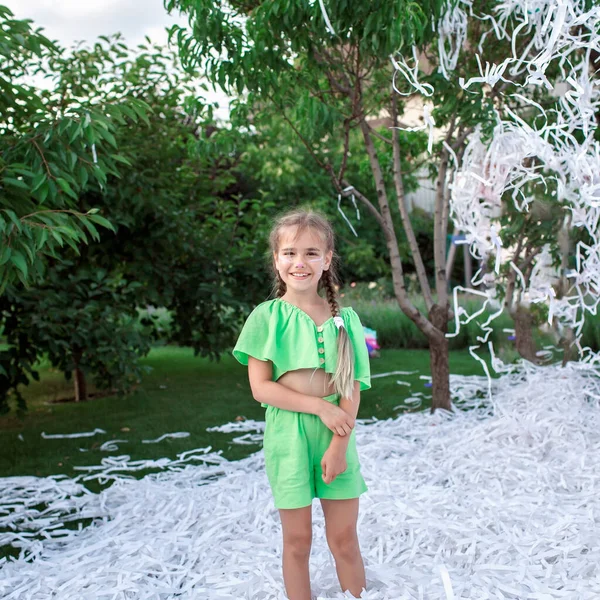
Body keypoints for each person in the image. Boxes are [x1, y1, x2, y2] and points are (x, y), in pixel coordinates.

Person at [232, 208, 371, 600]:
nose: (300, 262)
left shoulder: (347, 320)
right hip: (288, 435)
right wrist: (320, 408)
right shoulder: (266, 318)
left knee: (344, 538)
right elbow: (261, 388)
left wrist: (339, 445)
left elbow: (352, 387)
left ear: (327, 260)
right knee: (298, 541)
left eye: (312, 253)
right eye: (290, 253)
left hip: (337, 435)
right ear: (277, 261)